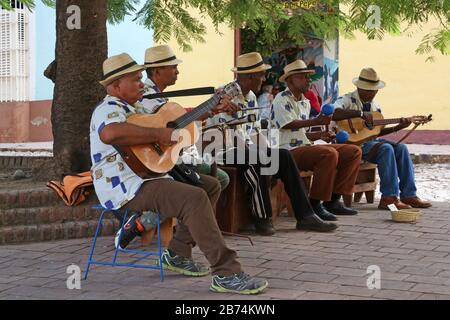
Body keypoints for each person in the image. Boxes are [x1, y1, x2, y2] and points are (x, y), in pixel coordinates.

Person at [89, 53, 268, 294]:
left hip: (148, 175)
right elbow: (110, 134)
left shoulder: (137, 107)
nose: (141, 83)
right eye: (135, 79)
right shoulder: (107, 108)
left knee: (210, 186)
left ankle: (177, 252)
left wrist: (208, 111)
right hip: (125, 184)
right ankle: (227, 273)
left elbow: (173, 124)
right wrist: (157, 135)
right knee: (193, 198)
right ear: (115, 85)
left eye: (141, 78)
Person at [207, 52, 337, 235]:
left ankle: (306, 215)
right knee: (256, 159)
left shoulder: (251, 96)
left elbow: (254, 131)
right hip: (222, 149)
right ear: (249, 76)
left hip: (244, 149)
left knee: (282, 156)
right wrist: (259, 152)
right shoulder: (224, 94)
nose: (264, 78)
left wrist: (268, 151)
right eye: (261, 74)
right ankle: (262, 218)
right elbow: (223, 133)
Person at [271, 60, 362, 221]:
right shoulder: (281, 99)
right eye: (303, 77)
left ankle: (333, 200)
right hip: (285, 151)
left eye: (308, 77)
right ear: (290, 80)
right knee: (328, 153)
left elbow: (301, 133)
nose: (308, 80)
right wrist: (316, 122)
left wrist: (320, 135)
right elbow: (289, 124)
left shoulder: (305, 102)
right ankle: (314, 203)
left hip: (303, 147)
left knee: (353, 151)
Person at [333, 67, 431, 210]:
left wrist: (398, 127)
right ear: (359, 87)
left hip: (370, 143)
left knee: (401, 148)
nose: (372, 93)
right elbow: (334, 113)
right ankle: (389, 198)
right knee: (385, 149)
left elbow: (374, 133)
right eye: (368, 90)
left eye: (374, 90)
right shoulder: (346, 99)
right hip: (352, 145)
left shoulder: (375, 106)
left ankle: (409, 194)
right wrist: (359, 113)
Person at [140, 44, 230, 192]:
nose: (178, 72)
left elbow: (179, 120)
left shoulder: (156, 96)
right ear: (157, 71)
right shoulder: (148, 97)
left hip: (171, 157)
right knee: (221, 178)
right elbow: (173, 125)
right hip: (161, 159)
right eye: (173, 67)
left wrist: (211, 109)